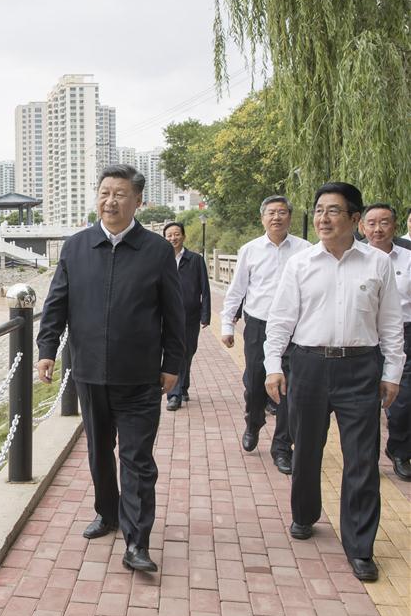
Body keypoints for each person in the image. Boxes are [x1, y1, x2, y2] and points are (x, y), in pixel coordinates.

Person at [36, 164, 185, 573]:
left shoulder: (156, 251)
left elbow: (175, 315)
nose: (111, 201)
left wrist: (173, 364)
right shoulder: (76, 248)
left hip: (140, 376)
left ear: (138, 201)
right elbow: (56, 304)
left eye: (120, 194)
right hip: (88, 373)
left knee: (137, 459)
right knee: (99, 451)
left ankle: (137, 542)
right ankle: (107, 512)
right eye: (105, 192)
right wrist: (47, 350)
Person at [264, 182, 405, 582]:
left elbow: (390, 322)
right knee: (307, 448)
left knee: (362, 457)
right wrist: (273, 366)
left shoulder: (377, 264)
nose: (323, 219)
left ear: (355, 219)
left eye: (333, 211)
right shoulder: (301, 264)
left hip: (360, 368)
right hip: (308, 365)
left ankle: (360, 545)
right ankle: (305, 513)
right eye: (319, 210)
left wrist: (392, 372)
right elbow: (281, 320)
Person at [220, 196, 311, 474]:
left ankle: (282, 447)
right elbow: (237, 290)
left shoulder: (305, 250)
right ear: (262, 218)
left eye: (282, 212)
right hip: (259, 325)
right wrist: (226, 325)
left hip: (295, 329)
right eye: (271, 213)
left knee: (289, 388)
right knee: (255, 382)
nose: (276, 217)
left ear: (290, 217)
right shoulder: (250, 250)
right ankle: (254, 421)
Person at [361, 203, 411, 481]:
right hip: (366, 337)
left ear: (395, 226)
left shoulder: (408, 258)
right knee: (365, 403)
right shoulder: (354, 257)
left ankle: (400, 450)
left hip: (404, 335)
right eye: (371, 223)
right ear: (361, 226)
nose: (377, 229)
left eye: (384, 222)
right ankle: (366, 457)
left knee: (403, 401)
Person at [163, 222, 210, 411]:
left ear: (183, 236)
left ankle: (183, 387)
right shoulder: (160, 259)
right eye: (169, 235)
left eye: (176, 234)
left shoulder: (196, 260)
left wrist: (206, 315)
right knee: (174, 352)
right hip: (166, 315)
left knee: (188, 352)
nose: (173, 238)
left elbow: (205, 288)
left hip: (190, 315)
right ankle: (174, 395)